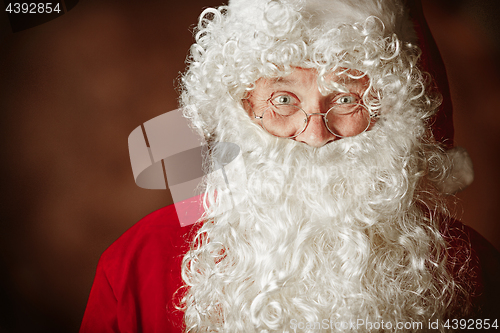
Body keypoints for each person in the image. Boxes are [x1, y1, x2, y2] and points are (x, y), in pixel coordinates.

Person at [80, 0, 500, 332]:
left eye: (345, 99)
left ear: (388, 109)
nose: (314, 135)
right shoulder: (136, 265)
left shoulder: (475, 271)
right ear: (242, 105)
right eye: (283, 100)